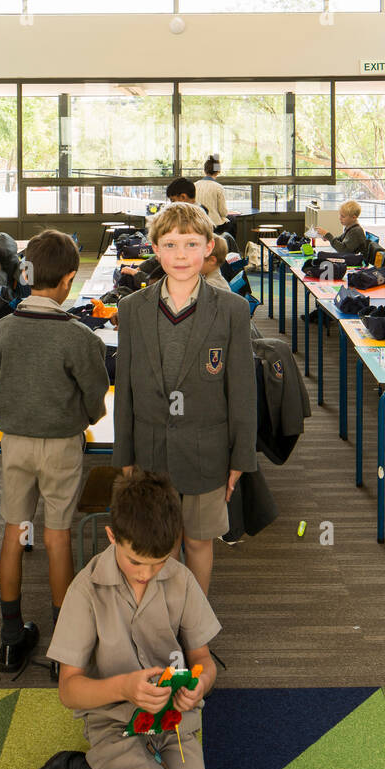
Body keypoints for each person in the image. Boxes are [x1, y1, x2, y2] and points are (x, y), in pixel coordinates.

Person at [22, 469, 219, 769]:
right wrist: (125, 688)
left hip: (174, 723)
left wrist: (201, 684)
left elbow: (204, 660)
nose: (146, 574)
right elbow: (68, 691)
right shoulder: (85, 591)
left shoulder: (181, 579)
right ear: (112, 536)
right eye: (135, 562)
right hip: (114, 724)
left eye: (157, 563)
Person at [113, 202, 257, 595]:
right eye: (171, 244)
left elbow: (242, 390)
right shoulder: (132, 309)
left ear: (210, 247)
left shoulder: (231, 310)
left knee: (198, 542)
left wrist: (240, 457)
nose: (180, 255)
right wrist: (124, 456)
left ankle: (194, 624)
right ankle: (161, 622)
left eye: (191, 244)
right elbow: (124, 387)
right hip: (149, 453)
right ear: (154, 249)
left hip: (206, 452)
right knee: (160, 546)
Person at [0, 231, 110, 680]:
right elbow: (96, 401)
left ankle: (9, 639)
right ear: (69, 280)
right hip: (61, 445)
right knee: (58, 537)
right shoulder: (79, 337)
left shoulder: (3, 326)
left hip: (14, 442)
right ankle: (63, 650)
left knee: (14, 534)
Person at [194, 156, 230, 234]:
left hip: (198, 224)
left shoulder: (194, 185)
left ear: (205, 170)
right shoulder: (218, 187)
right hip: (214, 225)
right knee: (232, 222)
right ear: (218, 171)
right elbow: (223, 213)